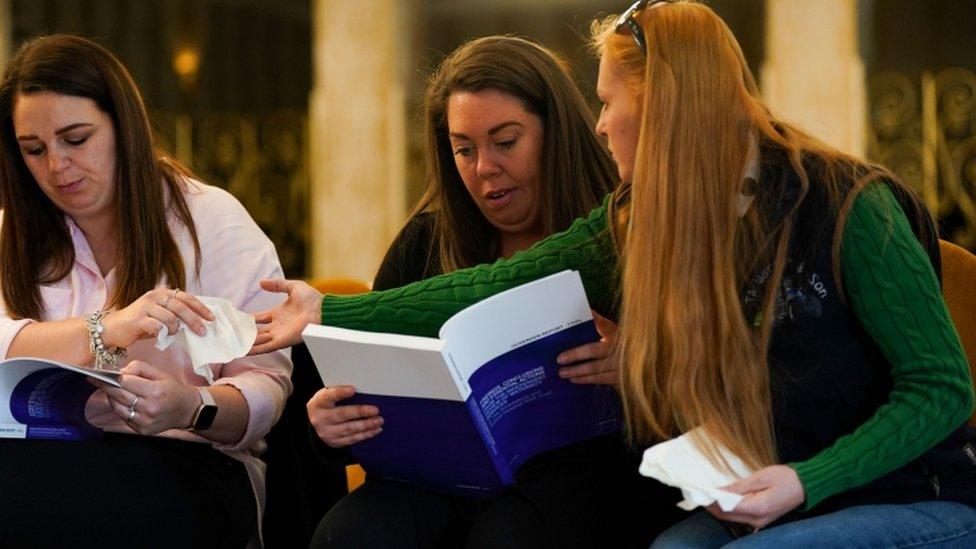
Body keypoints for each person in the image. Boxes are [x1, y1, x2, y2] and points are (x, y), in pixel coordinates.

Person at [252, 1, 976, 547]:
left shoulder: (853, 205)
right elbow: (495, 285)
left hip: (903, 491)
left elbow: (941, 388)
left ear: (663, 104)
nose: (598, 125)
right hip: (758, 494)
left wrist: (803, 480)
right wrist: (330, 313)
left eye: (607, 102)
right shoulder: (638, 214)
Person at [306, 35, 684, 548]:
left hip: (589, 480)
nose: (484, 167)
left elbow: (701, 389)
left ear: (558, 133)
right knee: (354, 532)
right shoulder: (424, 242)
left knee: (507, 537)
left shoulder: (617, 230)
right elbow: (363, 390)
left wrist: (638, 365)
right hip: (441, 479)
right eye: (463, 149)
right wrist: (332, 426)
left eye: (506, 142)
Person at [0, 35, 291, 547]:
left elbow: (266, 391)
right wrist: (104, 331)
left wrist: (191, 407)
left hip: (185, 460)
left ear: (122, 127)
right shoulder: (11, 234)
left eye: (76, 139)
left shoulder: (211, 221)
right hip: (34, 454)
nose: (56, 167)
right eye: (34, 150)